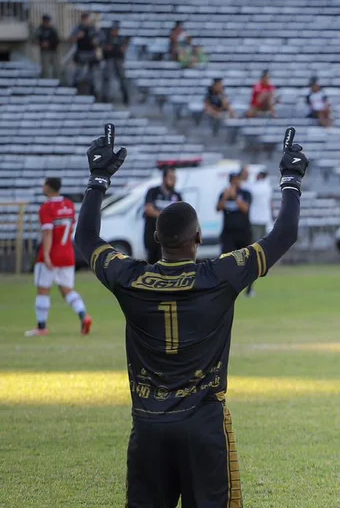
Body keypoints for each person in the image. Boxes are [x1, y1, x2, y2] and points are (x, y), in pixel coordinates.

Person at [74, 124, 308, 508]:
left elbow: (85, 241)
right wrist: (291, 178)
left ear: (156, 239)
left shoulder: (131, 278)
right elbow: (284, 234)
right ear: (198, 238)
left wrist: (97, 179)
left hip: (148, 426)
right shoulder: (220, 275)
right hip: (202, 427)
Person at [25, 178, 93, 337]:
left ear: (48, 187)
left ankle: (41, 327)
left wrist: (47, 255)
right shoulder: (69, 204)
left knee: (43, 289)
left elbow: (48, 233)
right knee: (66, 289)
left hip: (52, 253)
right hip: (67, 253)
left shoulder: (46, 207)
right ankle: (84, 315)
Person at [217, 171, 255, 296]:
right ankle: (226, 287)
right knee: (226, 261)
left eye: (237, 180)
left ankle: (249, 288)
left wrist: (235, 198)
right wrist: (226, 197)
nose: (236, 183)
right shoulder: (224, 194)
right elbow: (218, 208)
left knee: (248, 261)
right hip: (228, 234)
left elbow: (245, 208)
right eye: (233, 181)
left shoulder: (245, 194)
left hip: (243, 233)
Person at [143, 167, 184, 264]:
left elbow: (180, 214)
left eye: (175, 178)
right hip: (153, 234)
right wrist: (167, 216)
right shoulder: (153, 192)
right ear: (164, 178)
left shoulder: (177, 195)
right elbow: (149, 209)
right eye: (170, 177)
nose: (173, 180)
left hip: (169, 237)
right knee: (153, 262)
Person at [68, 13, 100, 95]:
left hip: (91, 52)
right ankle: (75, 88)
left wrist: (96, 42)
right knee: (78, 71)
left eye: (87, 19)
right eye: (84, 19)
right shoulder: (77, 28)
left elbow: (98, 39)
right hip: (81, 52)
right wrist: (77, 36)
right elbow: (71, 39)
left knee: (92, 73)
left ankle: (92, 91)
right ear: (82, 19)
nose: (86, 20)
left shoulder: (93, 28)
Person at [100, 21, 130, 104]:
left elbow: (125, 45)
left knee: (122, 79)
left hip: (119, 59)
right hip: (109, 59)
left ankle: (126, 98)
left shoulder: (122, 37)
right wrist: (106, 48)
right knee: (106, 78)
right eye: (113, 30)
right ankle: (105, 98)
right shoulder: (107, 36)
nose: (115, 31)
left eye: (116, 30)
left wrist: (124, 47)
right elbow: (102, 46)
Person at [245, 168, 274, 247]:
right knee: (264, 241)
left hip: (254, 217)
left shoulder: (253, 187)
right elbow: (271, 203)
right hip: (265, 217)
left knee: (255, 241)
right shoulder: (268, 187)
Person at [34, 14, 60, 80]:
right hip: (45, 52)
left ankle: (57, 82)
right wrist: (41, 44)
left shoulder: (53, 29)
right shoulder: (40, 30)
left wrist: (53, 44)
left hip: (54, 51)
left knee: (57, 68)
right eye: (46, 21)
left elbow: (57, 40)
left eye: (48, 21)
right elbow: (34, 40)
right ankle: (46, 83)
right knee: (45, 69)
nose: (47, 23)